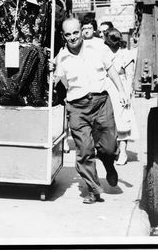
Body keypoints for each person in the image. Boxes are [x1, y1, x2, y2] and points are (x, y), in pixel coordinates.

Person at [50, 18, 129, 204]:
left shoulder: (99, 48)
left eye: (75, 33)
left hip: (101, 102)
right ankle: (93, 189)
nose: (72, 37)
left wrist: (122, 91)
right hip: (77, 107)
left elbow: (111, 70)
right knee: (84, 150)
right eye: (68, 34)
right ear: (63, 36)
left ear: (81, 32)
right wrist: (49, 74)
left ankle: (109, 164)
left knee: (108, 147)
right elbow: (55, 81)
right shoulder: (61, 57)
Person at [103, 28, 138, 165]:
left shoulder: (125, 54)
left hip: (120, 89)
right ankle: (111, 151)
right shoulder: (103, 53)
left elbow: (129, 76)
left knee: (122, 121)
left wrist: (127, 93)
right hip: (105, 87)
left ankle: (123, 153)